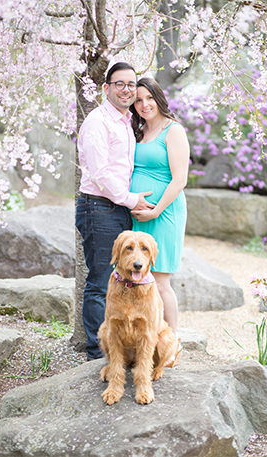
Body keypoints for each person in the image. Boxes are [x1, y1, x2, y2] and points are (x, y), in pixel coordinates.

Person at [76, 61, 155, 361]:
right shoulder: (98, 122)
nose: (126, 89)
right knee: (99, 282)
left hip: (117, 208)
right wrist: (131, 199)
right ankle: (98, 355)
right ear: (106, 88)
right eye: (119, 84)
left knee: (120, 278)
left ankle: (119, 348)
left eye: (131, 85)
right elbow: (100, 174)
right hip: (99, 208)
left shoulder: (125, 121)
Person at [127, 77, 190, 343]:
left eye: (149, 98)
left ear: (159, 97)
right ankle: (146, 337)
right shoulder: (138, 131)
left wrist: (155, 211)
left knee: (160, 279)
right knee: (139, 278)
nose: (144, 104)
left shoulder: (172, 130)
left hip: (163, 213)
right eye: (138, 100)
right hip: (138, 214)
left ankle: (170, 342)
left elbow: (180, 179)